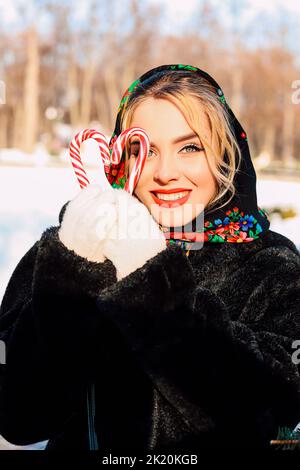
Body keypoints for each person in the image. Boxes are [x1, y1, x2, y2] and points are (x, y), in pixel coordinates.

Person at [0, 63, 300, 451]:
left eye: (190, 147)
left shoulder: (271, 264)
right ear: (122, 159)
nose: (165, 173)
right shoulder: (71, 247)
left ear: (226, 153)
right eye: (145, 150)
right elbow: (17, 418)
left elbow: (281, 409)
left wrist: (156, 290)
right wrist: (71, 277)